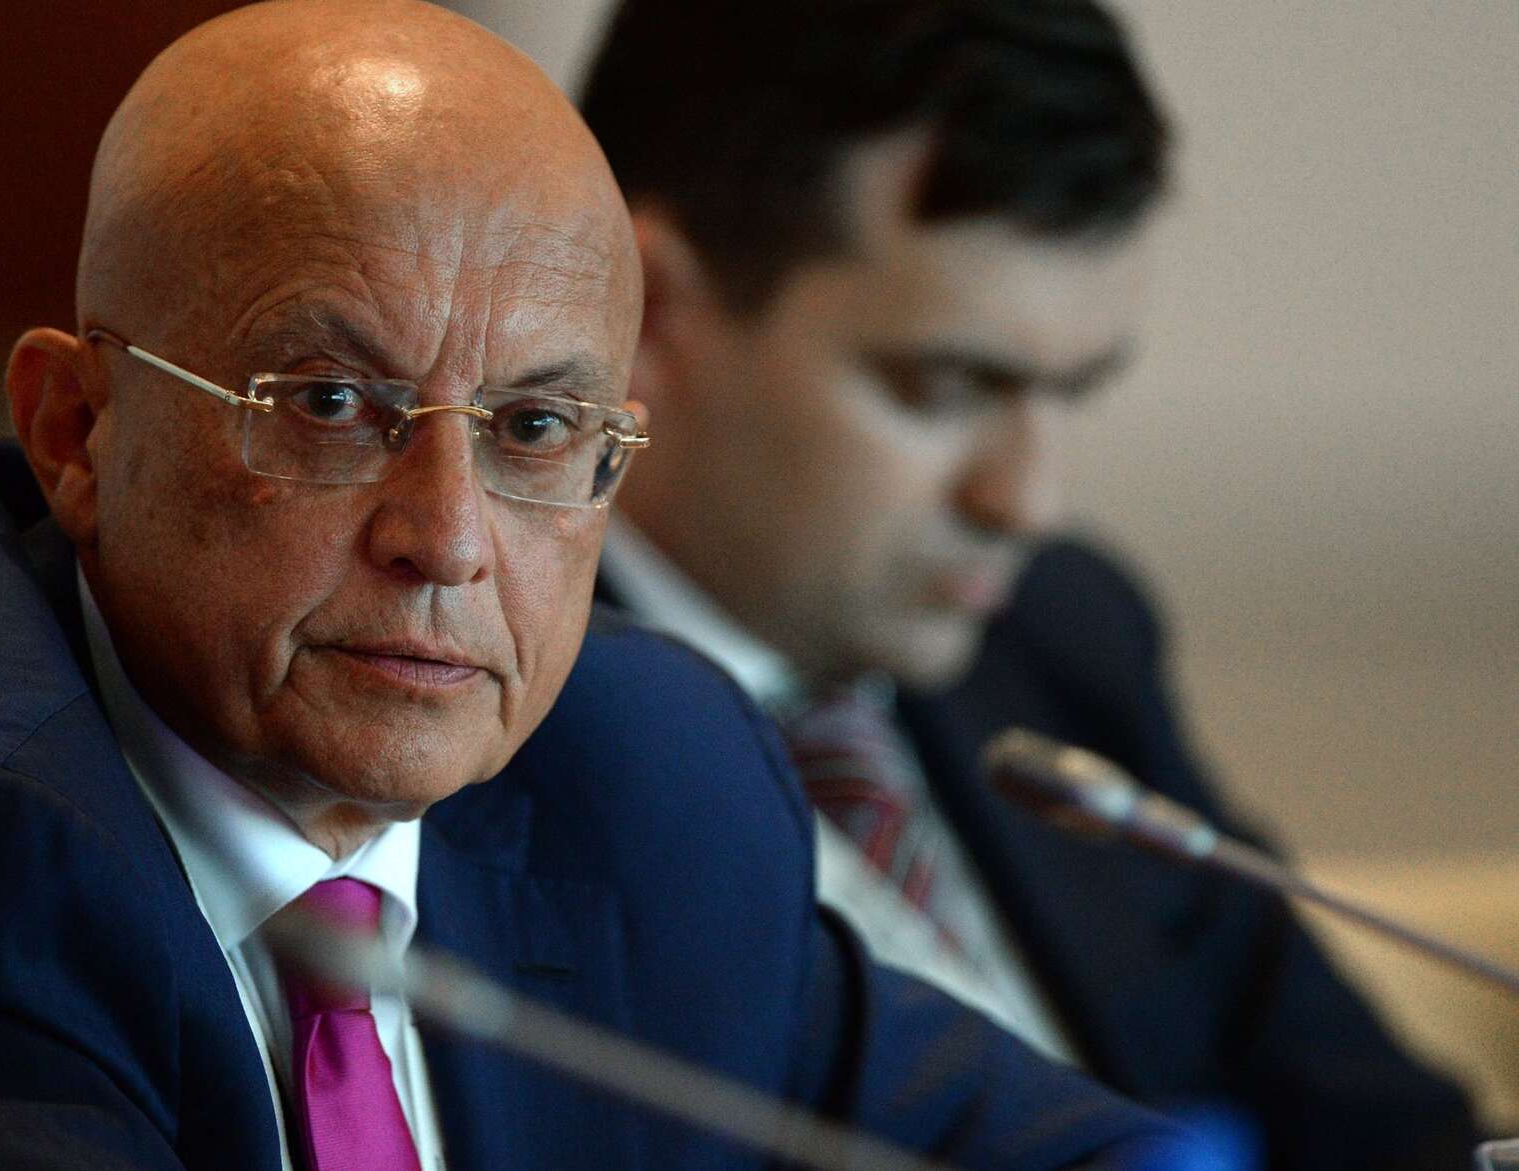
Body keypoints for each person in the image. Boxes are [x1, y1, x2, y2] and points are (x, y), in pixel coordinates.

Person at [0, 3, 1184, 1170]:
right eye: (333, 406)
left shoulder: (642, 772)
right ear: (75, 429)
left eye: (536, 426)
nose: (448, 536)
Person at [577, 2, 1480, 1168]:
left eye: (1070, 392)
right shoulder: (480, 727)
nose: (1025, 500)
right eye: (946, 387)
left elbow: (1384, 1133)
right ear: (646, 307)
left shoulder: (1056, 637)